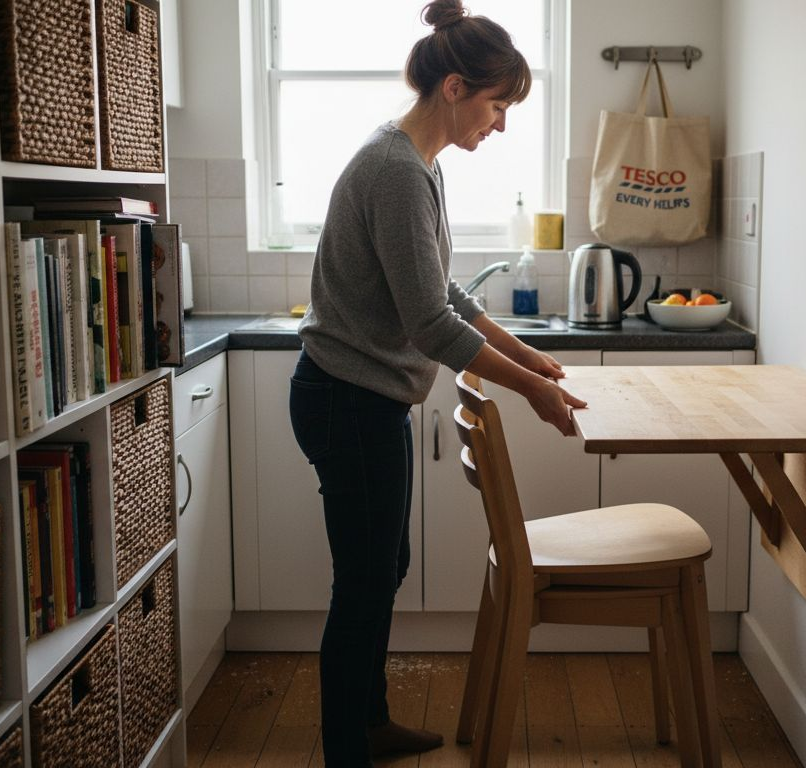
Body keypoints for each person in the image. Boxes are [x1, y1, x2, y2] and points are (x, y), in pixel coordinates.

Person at [288, 1, 587, 764]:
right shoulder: (396, 170)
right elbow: (429, 325)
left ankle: (370, 724)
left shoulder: (415, 162)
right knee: (363, 581)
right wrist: (532, 390)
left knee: (383, 569)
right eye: (497, 105)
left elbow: (444, 295)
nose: (501, 124)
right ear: (454, 87)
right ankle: (346, 749)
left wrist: (527, 355)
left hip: (362, 398)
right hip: (348, 401)